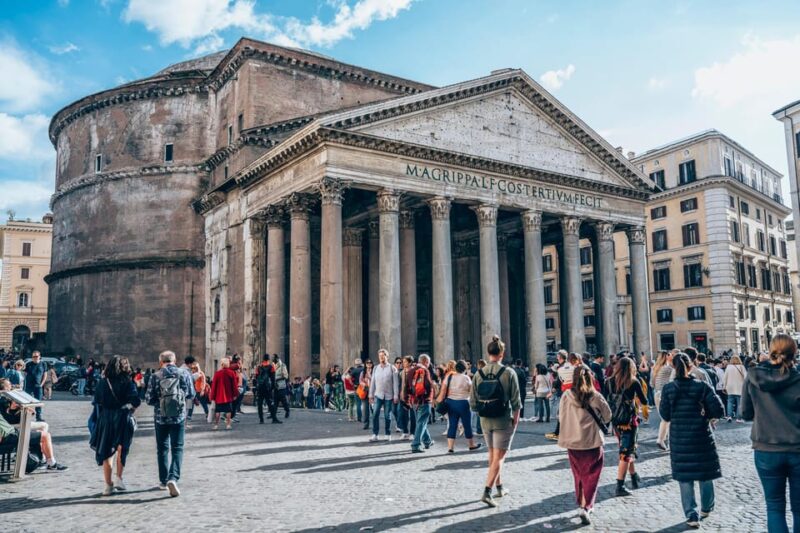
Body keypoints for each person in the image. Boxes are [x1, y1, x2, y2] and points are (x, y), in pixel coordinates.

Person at [741, 334, 800, 533]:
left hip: (766, 448)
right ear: (794, 352)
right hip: (797, 448)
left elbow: (745, 413)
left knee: (774, 506)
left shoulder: (753, 377)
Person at [660, 353, 724, 529]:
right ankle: (706, 508)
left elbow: (665, 415)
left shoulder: (668, 389)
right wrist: (706, 415)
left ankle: (691, 514)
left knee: (685, 477)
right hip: (701, 434)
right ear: (691, 366)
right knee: (705, 473)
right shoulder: (702, 386)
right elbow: (719, 410)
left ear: (674, 367)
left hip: (679, 437)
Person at [470, 335, 521, 508]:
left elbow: (473, 403)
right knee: (500, 457)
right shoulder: (509, 372)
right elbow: (516, 401)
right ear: (502, 353)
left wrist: (484, 409)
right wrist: (516, 420)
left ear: (488, 353)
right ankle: (487, 491)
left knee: (492, 455)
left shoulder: (478, 373)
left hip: (485, 420)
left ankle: (499, 487)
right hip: (502, 419)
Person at [558, 364, 612, 525]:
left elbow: (560, 417)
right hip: (592, 442)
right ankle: (587, 505)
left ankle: (582, 504)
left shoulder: (566, 395)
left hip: (573, 443)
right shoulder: (595, 396)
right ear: (591, 378)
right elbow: (608, 416)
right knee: (592, 475)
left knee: (579, 475)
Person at [90, 355, 141, 496]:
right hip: (123, 416)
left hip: (106, 418)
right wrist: (130, 408)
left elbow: (97, 401)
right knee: (122, 448)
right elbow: (136, 401)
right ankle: (119, 478)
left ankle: (108, 485)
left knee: (106, 450)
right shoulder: (128, 382)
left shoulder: (102, 382)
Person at [145, 350, 194, 497]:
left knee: (162, 448)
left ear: (161, 362)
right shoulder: (184, 373)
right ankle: (173, 478)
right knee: (177, 447)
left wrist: (161, 402)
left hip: (160, 417)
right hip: (178, 417)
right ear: (175, 360)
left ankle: (163, 481)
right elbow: (191, 394)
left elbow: (149, 399)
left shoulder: (156, 376)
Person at [605, 356, 648, 496]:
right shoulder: (633, 382)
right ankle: (620, 486)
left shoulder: (608, 382)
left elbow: (605, 401)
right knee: (626, 452)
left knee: (626, 448)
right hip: (629, 421)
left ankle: (633, 475)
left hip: (616, 421)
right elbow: (645, 401)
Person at [0, 403, 67, 472]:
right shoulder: (4, 402)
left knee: (38, 434)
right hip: (10, 437)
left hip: (13, 433)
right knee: (45, 436)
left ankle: (40, 461)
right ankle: (52, 464)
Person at [437, 360, 482, 452]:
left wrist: (439, 400)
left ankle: (450, 447)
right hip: (464, 403)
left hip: (451, 402)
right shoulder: (466, 378)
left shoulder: (449, 376)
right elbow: (472, 391)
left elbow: (443, 389)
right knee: (467, 424)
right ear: (465, 369)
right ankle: (471, 444)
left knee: (452, 425)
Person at [404, 354, 434, 453]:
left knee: (421, 421)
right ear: (426, 361)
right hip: (424, 400)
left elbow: (406, 387)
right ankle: (415, 445)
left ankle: (427, 441)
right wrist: (431, 398)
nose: (429, 364)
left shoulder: (410, 371)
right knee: (421, 422)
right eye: (428, 362)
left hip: (414, 401)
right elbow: (428, 385)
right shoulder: (425, 370)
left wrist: (407, 399)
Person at [368, 349, 398, 442]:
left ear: (387, 357)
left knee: (387, 416)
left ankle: (387, 434)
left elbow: (395, 383)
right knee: (375, 414)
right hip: (378, 395)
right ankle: (375, 434)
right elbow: (373, 382)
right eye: (380, 356)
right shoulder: (376, 368)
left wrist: (396, 395)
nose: (381, 358)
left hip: (389, 395)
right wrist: (370, 394)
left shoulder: (392, 368)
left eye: (383, 356)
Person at [652, 350, 674, 451]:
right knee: (668, 419)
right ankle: (663, 440)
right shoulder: (668, 368)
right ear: (666, 356)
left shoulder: (655, 368)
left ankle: (662, 439)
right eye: (670, 354)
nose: (672, 356)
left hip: (657, 394)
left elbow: (651, 384)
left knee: (664, 418)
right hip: (665, 395)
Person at [209, 357, 238, 430]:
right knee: (228, 410)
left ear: (221, 364)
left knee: (217, 411)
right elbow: (234, 385)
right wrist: (235, 394)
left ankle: (216, 425)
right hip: (228, 396)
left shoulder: (217, 373)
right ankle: (228, 425)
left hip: (218, 396)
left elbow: (214, 386)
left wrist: (212, 396)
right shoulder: (231, 373)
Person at [396, 355, 416, 440]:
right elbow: (400, 384)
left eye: (405, 362)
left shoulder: (414, 371)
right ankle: (405, 432)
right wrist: (399, 394)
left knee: (413, 415)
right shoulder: (402, 372)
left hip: (412, 397)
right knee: (402, 414)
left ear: (410, 363)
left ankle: (412, 433)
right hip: (403, 396)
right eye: (403, 362)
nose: (403, 363)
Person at [24, 351, 47, 422]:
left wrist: (41, 384)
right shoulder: (28, 364)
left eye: (36, 356)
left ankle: (38, 417)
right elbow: (24, 374)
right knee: (27, 401)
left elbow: (45, 375)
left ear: (39, 356)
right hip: (29, 386)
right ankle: (26, 416)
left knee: (38, 402)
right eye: (33, 356)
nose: (35, 358)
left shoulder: (43, 364)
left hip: (38, 386)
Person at [723, 355, 746, 422]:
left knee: (730, 402)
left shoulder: (728, 367)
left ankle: (729, 416)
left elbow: (725, 378)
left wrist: (724, 386)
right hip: (740, 387)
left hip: (730, 387)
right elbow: (746, 377)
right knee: (739, 403)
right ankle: (738, 418)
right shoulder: (741, 367)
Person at [359, 359, 374, 430]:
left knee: (373, 409)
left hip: (373, 392)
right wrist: (364, 384)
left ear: (372, 364)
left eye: (370, 363)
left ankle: (375, 423)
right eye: (367, 363)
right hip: (365, 391)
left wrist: (369, 377)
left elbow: (375, 380)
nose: (369, 364)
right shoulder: (363, 372)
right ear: (365, 364)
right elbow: (360, 381)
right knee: (365, 409)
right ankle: (366, 424)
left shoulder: (374, 371)